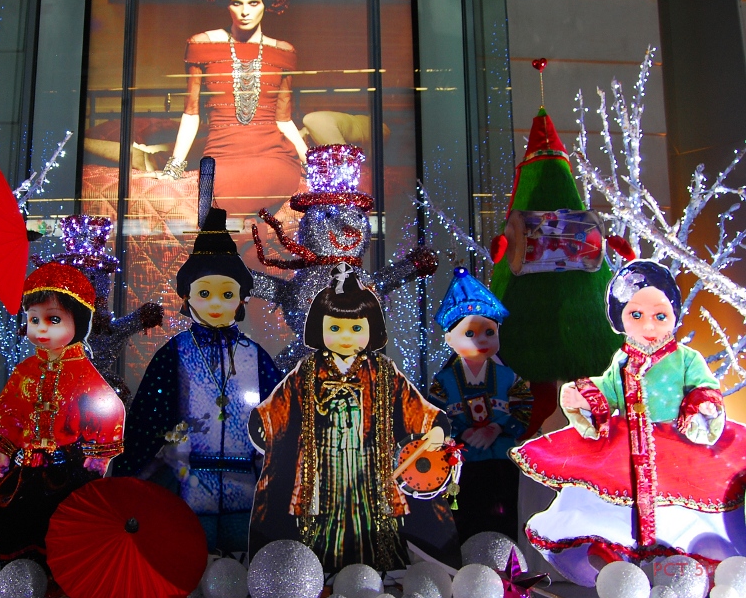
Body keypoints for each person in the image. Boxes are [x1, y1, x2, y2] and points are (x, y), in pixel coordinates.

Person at [511, 259, 746, 586]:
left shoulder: (685, 358)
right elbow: (610, 390)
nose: (649, 325)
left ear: (674, 316)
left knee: (686, 511)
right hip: (626, 448)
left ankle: (697, 571)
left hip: (677, 447)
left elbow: (704, 386)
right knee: (604, 503)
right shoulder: (623, 361)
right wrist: (587, 396)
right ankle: (612, 564)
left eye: (660, 316)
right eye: (636, 315)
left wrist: (700, 404)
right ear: (619, 319)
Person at [249, 263, 461, 573]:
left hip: (370, 470)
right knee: (317, 534)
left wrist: (434, 429)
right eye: (335, 329)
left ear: (372, 329)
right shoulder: (307, 371)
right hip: (321, 471)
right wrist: (266, 427)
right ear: (319, 328)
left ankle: (374, 576)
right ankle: (318, 574)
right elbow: (277, 411)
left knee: (374, 532)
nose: (346, 337)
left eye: (356, 329)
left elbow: (414, 408)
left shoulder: (383, 371)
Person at [112, 207, 282, 554]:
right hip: (188, 482)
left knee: (243, 556)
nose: (216, 303)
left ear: (242, 298)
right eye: (204, 293)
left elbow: (279, 415)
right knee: (191, 555)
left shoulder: (255, 356)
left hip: (246, 485)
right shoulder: (174, 353)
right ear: (185, 295)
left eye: (227, 294)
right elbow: (147, 420)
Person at [0, 262, 125, 577]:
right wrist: (4, 448)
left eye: (53, 319)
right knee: (12, 521)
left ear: (79, 321)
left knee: (60, 529)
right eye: (33, 319)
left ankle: (57, 582)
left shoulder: (84, 373)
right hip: (24, 471)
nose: (41, 329)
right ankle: (20, 580)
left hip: (66, 472)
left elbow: (108, 409)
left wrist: (96, 458)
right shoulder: (24, 371)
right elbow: (10, 409)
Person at [155, 0, 307, 216]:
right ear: (226, 3)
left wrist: (313, 162)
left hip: (274, 156)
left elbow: (284, 119)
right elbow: (191, 113)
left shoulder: (283, 52)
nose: (245, 12)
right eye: (237, 3)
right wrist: (173, 168)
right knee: (224, 189)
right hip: (222, 154)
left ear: (267, 3)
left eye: (254, 3)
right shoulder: (201, 45)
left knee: (266, 178)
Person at [428, 267, 532, 543]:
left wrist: (497, 428)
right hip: (461, 465)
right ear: (450, 340)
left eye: (489, 332)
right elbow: (434, 417)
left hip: (501, 461)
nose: (482, 340)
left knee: (504, 517)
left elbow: (524, 410)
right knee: (465, 519)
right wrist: (461, 433)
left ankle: (506, 561)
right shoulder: (443, 381)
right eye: (470, 333)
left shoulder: (510, 378)